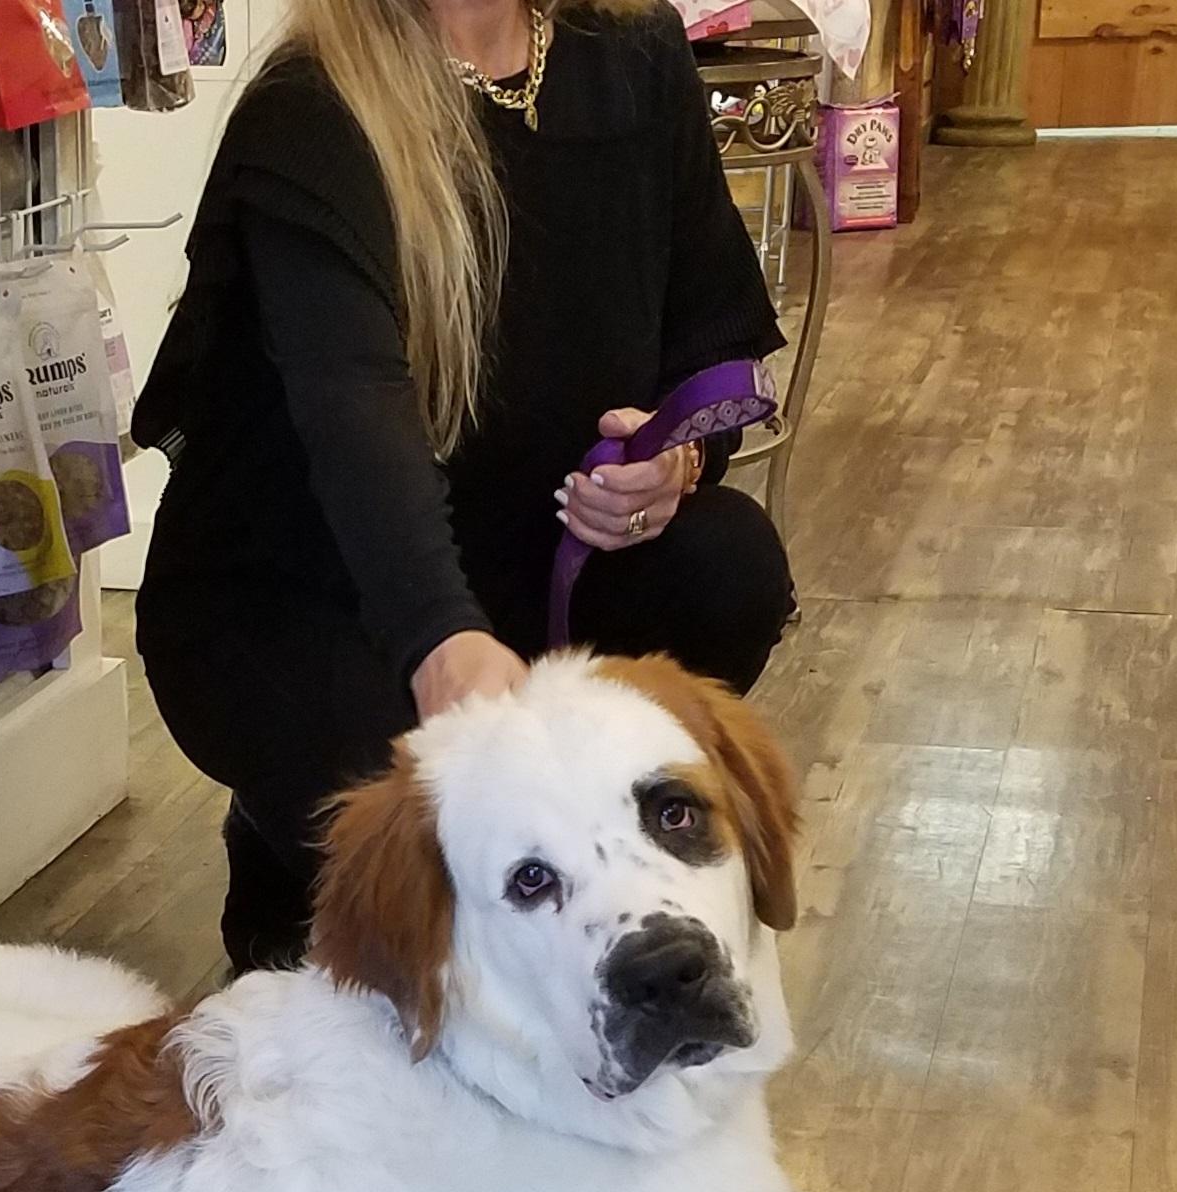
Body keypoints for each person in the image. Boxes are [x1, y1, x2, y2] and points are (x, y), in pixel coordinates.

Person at [132, 0, 795, 975]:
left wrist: (674, 465)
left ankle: (584, 867)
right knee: (421, 852)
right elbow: (353, 410)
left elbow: (711, 330)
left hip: (525, 555)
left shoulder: (633, 55)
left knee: (725, 564)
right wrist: (443, 640)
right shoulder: (312, 107)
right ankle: (284, 838)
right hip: (292, 594)